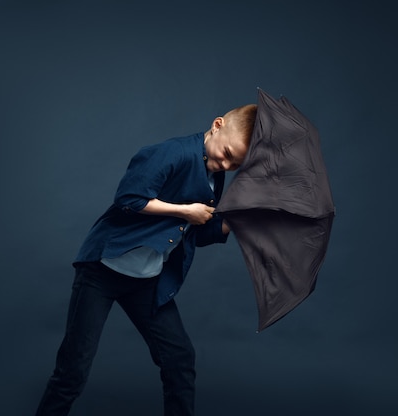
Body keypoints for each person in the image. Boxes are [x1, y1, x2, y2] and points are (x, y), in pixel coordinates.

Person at [35, 103, 258, 416]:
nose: (226, 165)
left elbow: (194, 232)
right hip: (103, 269)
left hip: (147, 280)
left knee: (179, 359)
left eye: (235, 165)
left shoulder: (212, 176)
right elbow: (128, 198)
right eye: (227, 153)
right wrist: (184, 210)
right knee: (73, 371)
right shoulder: (173, 153)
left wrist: (235, 220)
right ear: (218, 125)